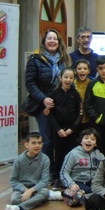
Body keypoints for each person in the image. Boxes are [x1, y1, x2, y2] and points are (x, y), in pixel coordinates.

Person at [24, 29, 72, 184]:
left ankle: (61, 172)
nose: (52, 41)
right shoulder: (35, 59)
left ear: (59, 42)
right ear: (44, 41)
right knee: (48, 140)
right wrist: (44, 99)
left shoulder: (65, 59)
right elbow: (30, 84)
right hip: (43, 106)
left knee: (61, 139)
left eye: (55, 39)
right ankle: (48, 173)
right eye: (49, 38)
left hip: (61, 106)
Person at [5, 132, 63, 210]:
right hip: (22, 189)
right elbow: (13, 180)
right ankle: (41, 199)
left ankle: (18, 208)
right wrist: (25, 190)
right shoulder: (19, 160)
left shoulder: (45, 159)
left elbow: (44, 181)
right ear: (26, 144)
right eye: (34, 143)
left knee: (44, 192)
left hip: (38, 188)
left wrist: (31, 190)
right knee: (14, 200)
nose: (37, 145)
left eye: (39, 143)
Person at [47, 67, 82, 187]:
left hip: (72, 131)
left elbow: (79, 114)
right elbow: (50, 114)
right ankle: (58, 177)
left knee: (71, 154)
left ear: (74, 79)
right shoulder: (54, 94)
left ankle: (71, 177)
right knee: (59, 155)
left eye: (71, 77)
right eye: (65, 77)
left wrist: (72, 129)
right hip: (59, 132)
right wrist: (58, 129)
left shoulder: (76, 95)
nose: (68, 80)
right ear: (60, 78)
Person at [60, 128, 105, 195]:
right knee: (94, 193)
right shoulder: (73, 154)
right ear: (81, 141)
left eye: (93, 139)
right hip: (78, 183)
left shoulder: (98, 155)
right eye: (86, 138)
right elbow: (64, 172)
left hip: (93, 183)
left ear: (96, 144)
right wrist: (71, 184)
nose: (89, 141)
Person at [74, 59, 93, 134]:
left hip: (89, 119)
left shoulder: (92, 83)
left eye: (85, 69)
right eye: (79, 69)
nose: (82, 71)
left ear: (89, 71)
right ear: (75, 71)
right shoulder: (72, 84)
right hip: (75, 119)